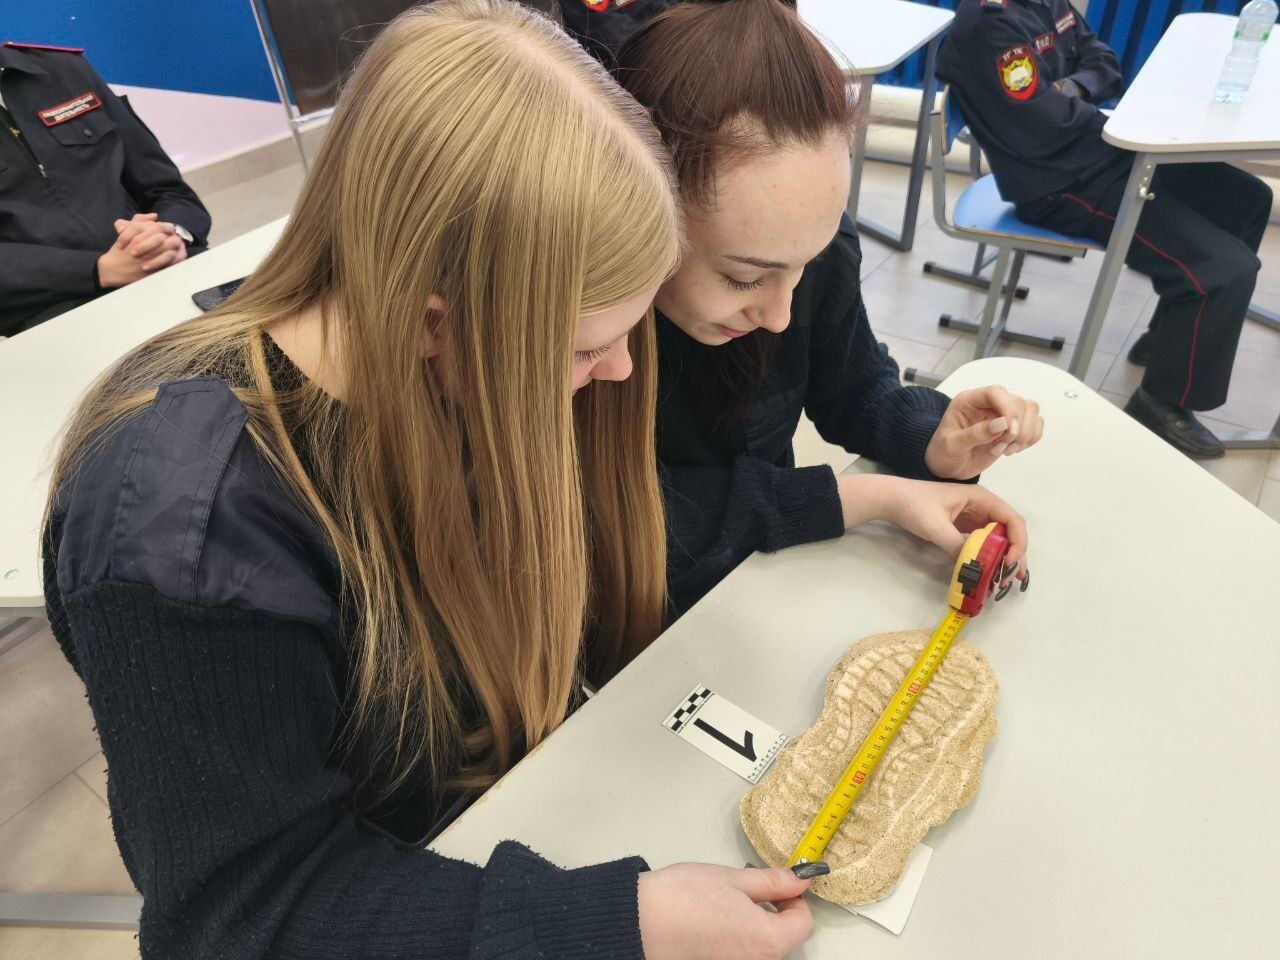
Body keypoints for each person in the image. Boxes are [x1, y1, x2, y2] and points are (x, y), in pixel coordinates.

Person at [41, 2, 818, 957]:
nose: (620, 371)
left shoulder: (453, 370)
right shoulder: (185, 536)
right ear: (433, 317)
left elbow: (608, 521)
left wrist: (844, 501)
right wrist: (620, 921)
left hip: (495, 820)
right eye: (586, 347)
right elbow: (246, 913)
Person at [611, 0, 1042, 618]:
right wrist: (863, 498)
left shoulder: (808, 245)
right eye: (743, 277)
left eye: (805, 266)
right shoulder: (587, 338)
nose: (781, 317)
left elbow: (854, 384)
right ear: (637, 221)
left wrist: (934, 440)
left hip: (761, 583)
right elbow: (606, 520)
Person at [936, 0, 1273, 459]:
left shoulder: (1044, 3)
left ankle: (1171, 338)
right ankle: (1161, 402)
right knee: (1225, 271)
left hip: (1101, 151)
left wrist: (1070, 87)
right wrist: (1083, 99)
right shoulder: (990, 24)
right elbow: (1042, 125)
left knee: (1247, 198)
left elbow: (1105, 62)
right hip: (1058, 182)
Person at [0, 41, 209, 337]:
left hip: (169, 267)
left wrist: (170, 234)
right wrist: (98, 270)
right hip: (58, 311)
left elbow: (167, 188)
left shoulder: (65, 69)